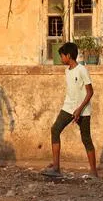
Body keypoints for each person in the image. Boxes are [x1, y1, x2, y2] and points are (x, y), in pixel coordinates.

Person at [41, 41, 97, 178]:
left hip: (82, 110)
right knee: (55, 130)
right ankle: (56, 168)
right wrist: (72, 108)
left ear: (69, 55)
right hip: (68, 107)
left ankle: (94, 172)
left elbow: (90, 92)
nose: (61, 59)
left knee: (86, 139)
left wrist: (79, 110)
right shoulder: (67, 71)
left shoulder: (82, 70)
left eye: (62, 56)